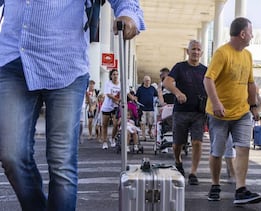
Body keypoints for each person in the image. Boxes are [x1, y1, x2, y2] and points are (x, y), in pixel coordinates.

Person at [0, 1, 145, 210]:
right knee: (11, 154)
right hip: (14, 58)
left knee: (61, 162)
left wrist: (129, 14)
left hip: (65, 63)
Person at [203, 17, 261, 205]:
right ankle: (214, 185)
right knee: (217, 151)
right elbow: (208, 79)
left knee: (243, 148)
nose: (252, 36)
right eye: (251, 32)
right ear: (243, 34)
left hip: (242, 112)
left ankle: (241, 189)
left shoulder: (248, 55)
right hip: (219, 114)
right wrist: (216, 103)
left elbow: (251, 83)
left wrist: (253, 106)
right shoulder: (222, 53)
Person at [163, 40, 207, 185]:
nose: (196, 52)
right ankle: (178, 161)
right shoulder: (179, 67)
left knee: (197, 142)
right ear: (188, 52)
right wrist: (177, 93)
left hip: (198, 112)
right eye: (193, 49)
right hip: (181, 112)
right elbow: (167, 82)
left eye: (198, 49)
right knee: (177, 144)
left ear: (201, 53)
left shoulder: (205, 70)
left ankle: (193, 172)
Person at [135, 75, 161, 140]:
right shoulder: (140, 89)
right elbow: (136, 97)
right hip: (142, 108)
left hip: (151, 108)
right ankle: (143, 135)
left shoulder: (152, 88)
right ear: (143, 81)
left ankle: (149, 131)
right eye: (146, 80)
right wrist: (136, 102)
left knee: (150, 122)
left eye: (149, 81)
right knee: (143, 123)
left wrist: (157, 101)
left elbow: (157, 95)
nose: (147, 82)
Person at [101, 69, 121, 149]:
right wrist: (117, 99)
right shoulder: (108, 83)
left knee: (116, 124)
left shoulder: (120, 84)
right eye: (114, 74)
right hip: (107, 106)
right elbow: (109, 94)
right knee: (105, 125)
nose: (115, 76)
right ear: (111, 76)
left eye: (117, 74)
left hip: (115, 107)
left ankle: (112, 138)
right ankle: (104, 142)